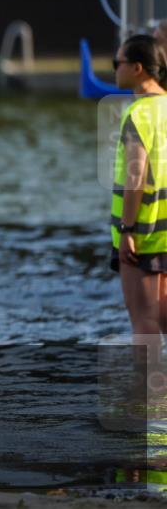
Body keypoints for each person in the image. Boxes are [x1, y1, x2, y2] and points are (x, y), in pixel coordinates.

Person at [109, 34, 167, 398]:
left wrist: (127, 229)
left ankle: (151, 406)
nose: (113, 70)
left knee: (144, 322)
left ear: (136, 68)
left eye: (117, 63)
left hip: (143, 234)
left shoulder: (139, 113)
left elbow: (135, 176)